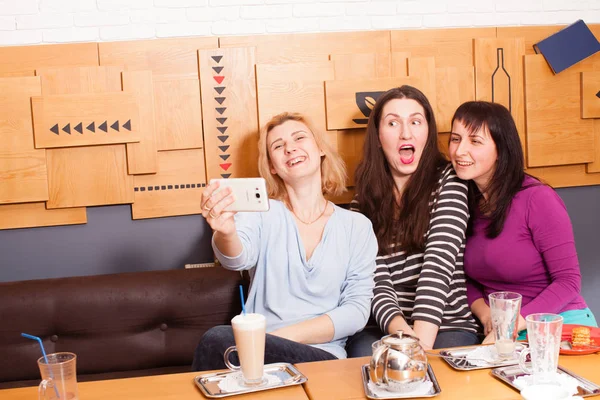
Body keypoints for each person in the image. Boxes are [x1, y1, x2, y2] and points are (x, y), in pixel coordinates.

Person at [192, 112, 378, 371]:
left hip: (320, 358)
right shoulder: (260, 213)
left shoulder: (356, 227)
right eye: (278, 146)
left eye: (299, 138)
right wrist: (225, 232)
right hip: (258, 356)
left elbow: (356, 311)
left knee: (219, 340)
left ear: (320, 149)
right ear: (272, 166)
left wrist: (273, 339)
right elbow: (236, 258)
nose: (290, 148)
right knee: (218, 341)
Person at [448, 100, 597, 343]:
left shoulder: (537, 199)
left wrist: (513, 322)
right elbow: (464, 277)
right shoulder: (461, 201)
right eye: (455, 139)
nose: (459, 151)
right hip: (504, 329)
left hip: (561, 324)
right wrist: (487, 315)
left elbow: (569, 281)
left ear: (501, 149)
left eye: (475, 141)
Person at [347, 85, 479, 357]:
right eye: (393, 123)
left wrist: (420, 351)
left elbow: (438, 265)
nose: (406, 133)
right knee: (364, 367)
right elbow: (374, 278)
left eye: (415, 122)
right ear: (378, 137)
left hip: (445, 324)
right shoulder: (363, 202)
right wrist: (402, 334)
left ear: (427, 132)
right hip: (386, 326)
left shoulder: (449, 181)